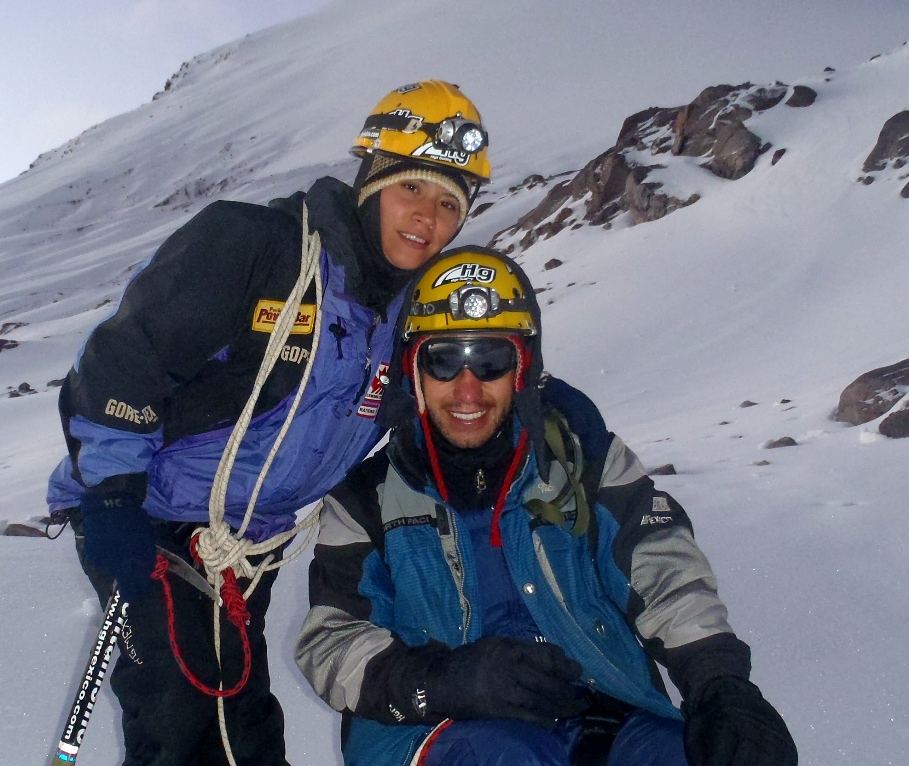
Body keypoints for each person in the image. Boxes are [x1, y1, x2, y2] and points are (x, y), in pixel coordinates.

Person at [46, 80, 493, 766]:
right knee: (178, 705)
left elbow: (456, 405)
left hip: (246, 543)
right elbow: (125, 353)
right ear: (372, 180)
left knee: (239, 718)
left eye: (448, 205)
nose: (426, 217)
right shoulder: (258, 248)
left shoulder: (411, 321)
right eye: (413, 190)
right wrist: (111, 494)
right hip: (149, 512)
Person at [295, 246, 799, 766]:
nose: (468, 390)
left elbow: (661, 568)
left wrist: (719, 683)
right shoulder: (365, 499)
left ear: (522, 368)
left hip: (599, 709)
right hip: (436, 728)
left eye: (490, 360)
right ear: (414, 371)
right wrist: (446, 681)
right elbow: (330, 643)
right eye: (444, 360)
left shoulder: (587, 461)